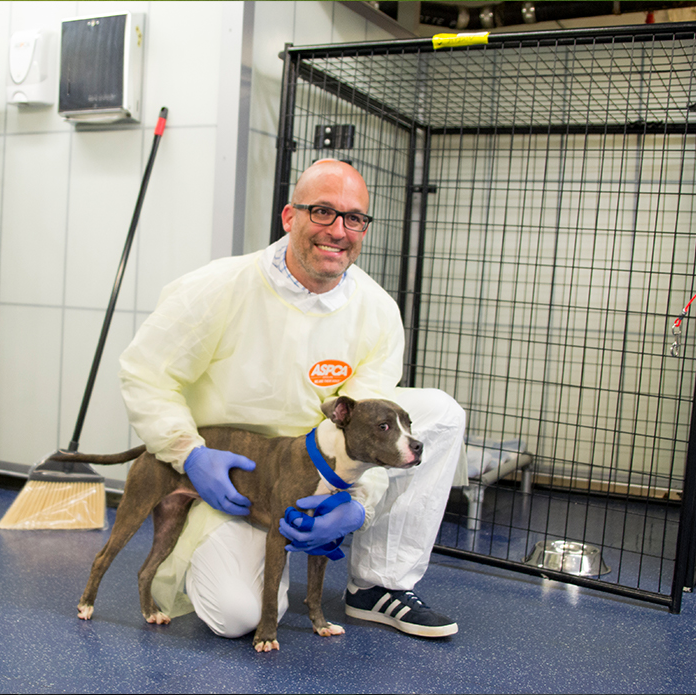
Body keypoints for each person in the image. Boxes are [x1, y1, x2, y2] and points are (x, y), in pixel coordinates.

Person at [118, 159, 467, 640]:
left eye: (354, 218)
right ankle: (232, 544)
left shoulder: (377, 310)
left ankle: (377, 586)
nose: (338, 231)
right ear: (289, 217)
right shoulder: (219, 287)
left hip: (321, 463)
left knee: (441, 413)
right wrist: (188, 453)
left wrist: (360, 503)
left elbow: (372, 415)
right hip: (241, 474)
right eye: (322, 212)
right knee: (238, 616)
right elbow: (145, 372)